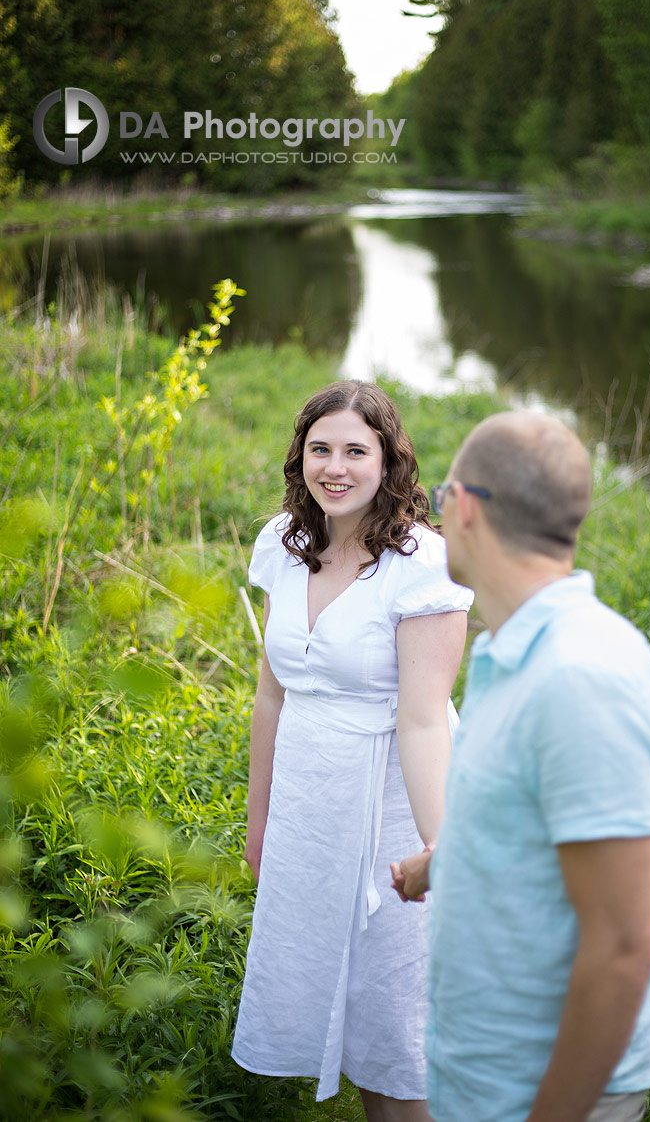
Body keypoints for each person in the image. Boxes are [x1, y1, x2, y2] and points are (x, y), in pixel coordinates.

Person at [391, 411, 650, 1122]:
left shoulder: (577, 679)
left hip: (543, 1091)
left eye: (438, 501)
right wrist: (443, 863)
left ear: (462, 508)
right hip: (483, 1079)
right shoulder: (517, 654)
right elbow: (535, 820)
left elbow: (620, 949)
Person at [231, 379, 473, 1122]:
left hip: (396, 802)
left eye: (355, 451)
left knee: (397, 1020)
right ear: (300, 457)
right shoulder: (282, 543)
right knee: (334, 990)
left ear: (388, 462)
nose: (334, 467)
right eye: (320, 449)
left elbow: (425, 722)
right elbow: (272, 695)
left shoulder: (422, 563)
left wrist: (439, 848)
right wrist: (259, 820)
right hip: (309, 799)